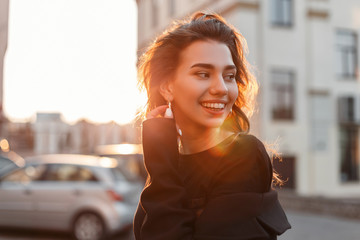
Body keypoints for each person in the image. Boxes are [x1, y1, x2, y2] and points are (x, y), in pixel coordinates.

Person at [134, 12, 291, 240]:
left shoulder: (244, 155)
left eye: (229, 76)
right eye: (203, 74)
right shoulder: (167, 161)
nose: (222, 88)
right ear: (167, 87)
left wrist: (162, 166)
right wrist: (161, 152)